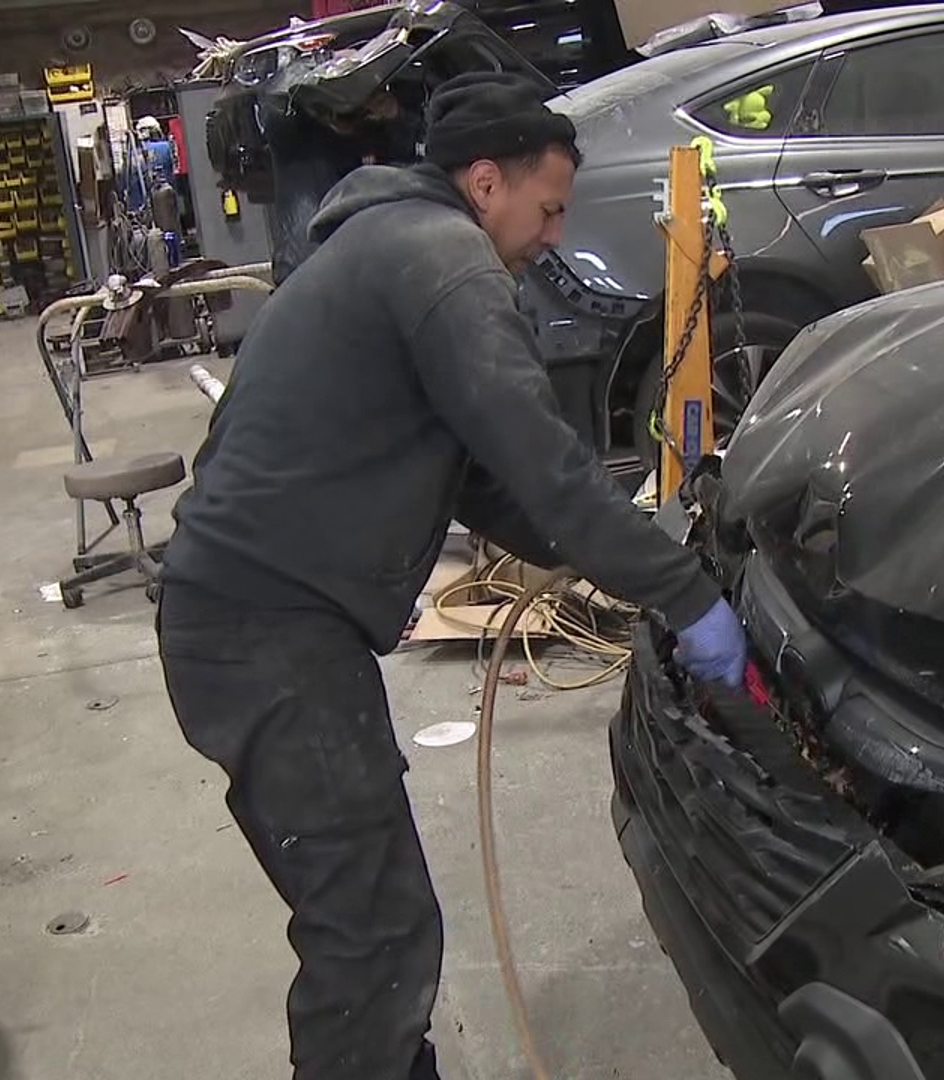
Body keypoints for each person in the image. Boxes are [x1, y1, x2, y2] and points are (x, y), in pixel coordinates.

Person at [154, 71, 747, 1080]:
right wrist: (693, 601)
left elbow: (498, 491)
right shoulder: (446, 267)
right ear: (484, 184)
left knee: (366, 914)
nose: (555, 234)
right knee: (371, 928)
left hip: (252, 621)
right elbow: (552, 473)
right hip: (264, 631)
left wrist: (643, 556)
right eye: (550, 208)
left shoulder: (385, 246)